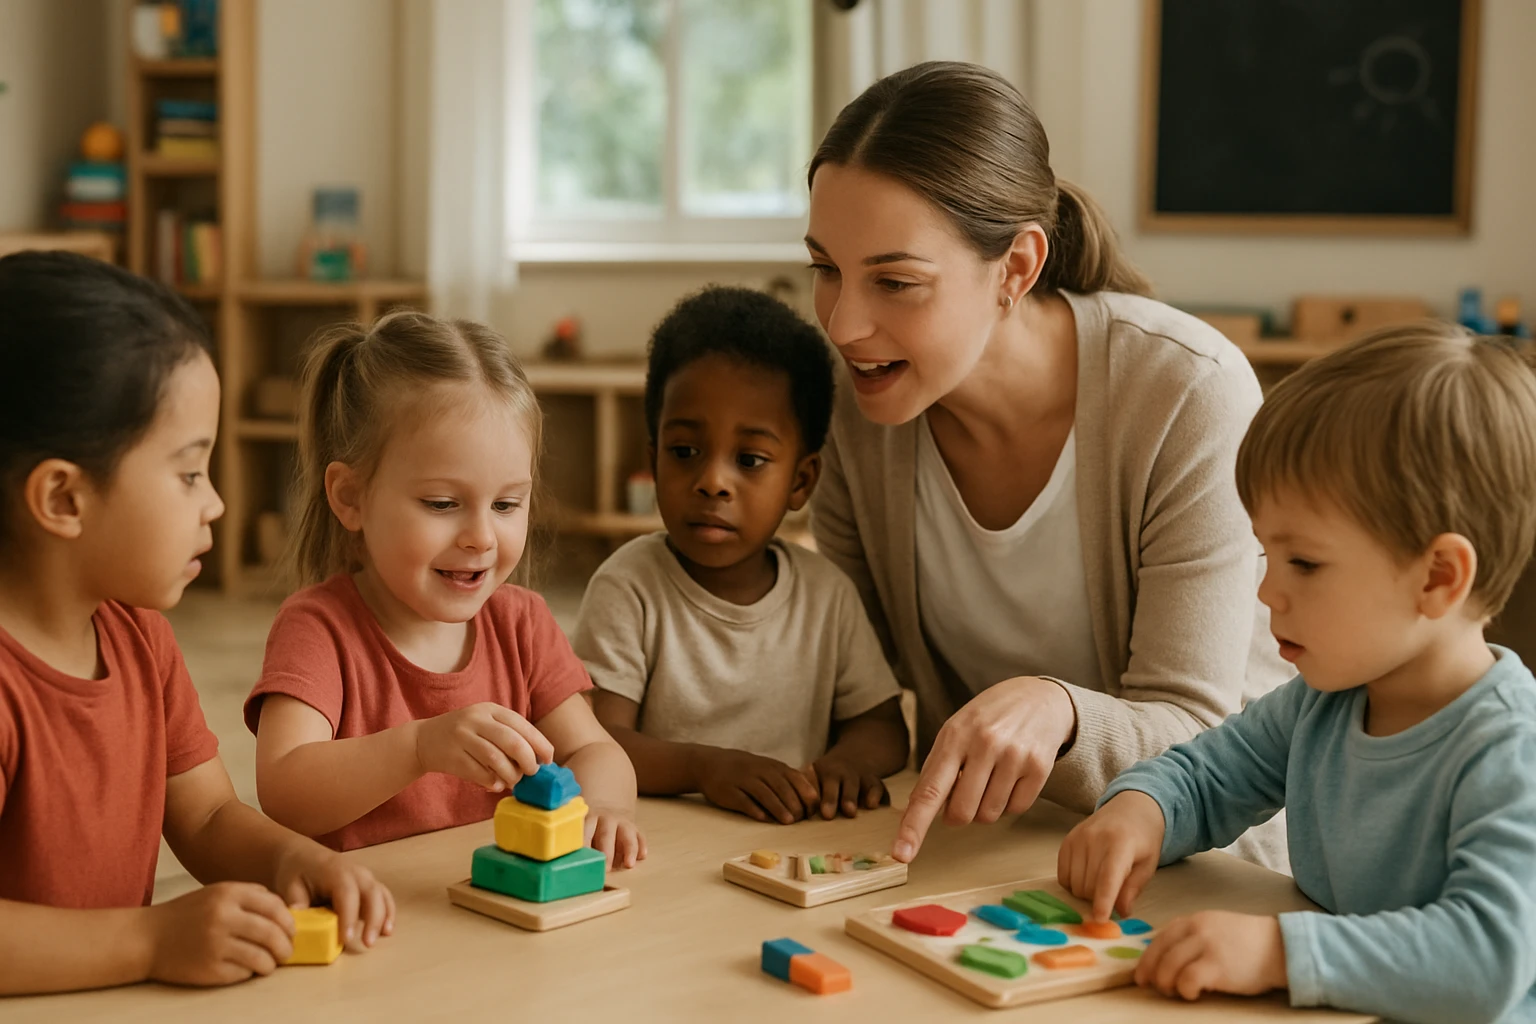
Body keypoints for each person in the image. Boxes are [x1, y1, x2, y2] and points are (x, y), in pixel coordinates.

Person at [804, 60, 1289, 864]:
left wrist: (1059, 710)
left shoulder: (1186, 389)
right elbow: (859, 686)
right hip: (996, 852)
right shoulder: (856, 411)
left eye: (895, 281)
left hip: (1214, 861)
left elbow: (1201, 733)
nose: (845, 323)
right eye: (826, 269)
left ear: (1017, 267)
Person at [1059, 323, 1536, 1022]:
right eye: (1266, 556)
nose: (1267, 593)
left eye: (1305, 563)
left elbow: (1485, 960)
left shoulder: (1511, 748)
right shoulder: (1324, 701)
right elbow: (1207, 775)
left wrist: (1278, 953)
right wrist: (1143, 810)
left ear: (1437, 577)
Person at [0, 252, 393, 994]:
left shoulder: (137, 634)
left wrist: (293, 860)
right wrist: (149, 940)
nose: (214, 504)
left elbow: (208, 817)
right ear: (62, 499)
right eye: (188, 474)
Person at [247, 311, 643, 867]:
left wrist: (604, 805)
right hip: (374, 921)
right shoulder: (317, 627)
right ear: (351, 497)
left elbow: (594, 748)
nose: (481, 537)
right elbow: (286, 789)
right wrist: (418, 747)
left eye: (507, 504)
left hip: (494, 913)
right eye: (441, 504)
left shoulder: (522, 622)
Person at [578, 286, 907, 824]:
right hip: (659, 847)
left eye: (750, 460)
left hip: (790, 849)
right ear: (653, 459)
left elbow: (885, 728)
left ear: (801, 482)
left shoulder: (826, 595)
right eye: (685, 453)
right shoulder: (628, 586)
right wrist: (707, 769)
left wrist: (847, 764)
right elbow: (596, 741)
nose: (712, 482)